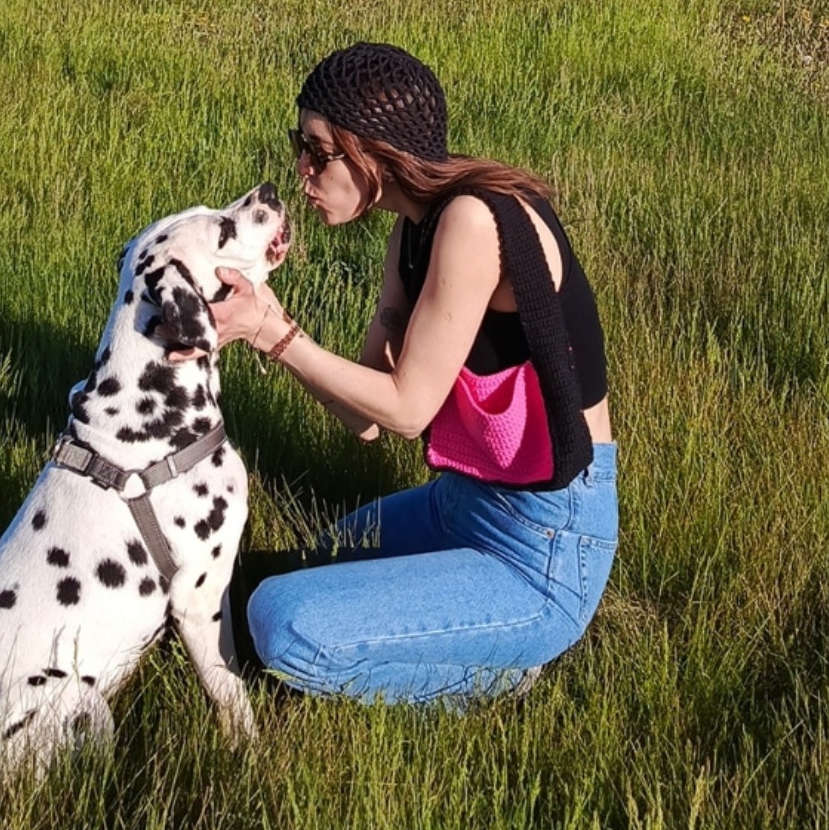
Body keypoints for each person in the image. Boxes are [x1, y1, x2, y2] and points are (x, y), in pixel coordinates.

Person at [210, 42, 617, 703]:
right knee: (300, 567)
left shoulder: (472, 221)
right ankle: (458, 639)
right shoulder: (415, 226)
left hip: (544, 545)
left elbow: (406, 412)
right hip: (462, 504)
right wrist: (268, 334)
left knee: (284, 626)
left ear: (373, 151)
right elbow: (367, 423)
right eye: (299, 145)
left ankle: (503, 676)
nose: (302, 171)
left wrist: (275, 335)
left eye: (318, 151)